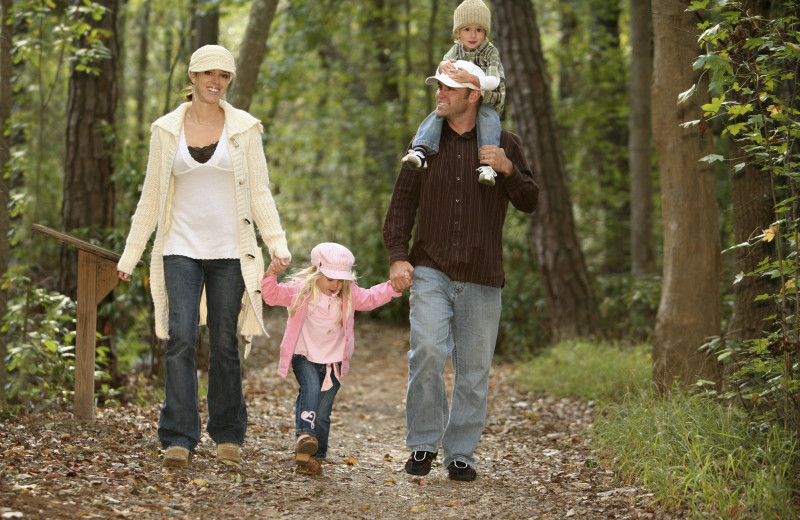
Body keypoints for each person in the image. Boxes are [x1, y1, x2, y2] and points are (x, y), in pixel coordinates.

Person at [117, 44, 291, 469]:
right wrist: (130, 254)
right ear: (192, 78)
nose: (216, 82)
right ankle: (178, 435)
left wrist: (277, 241)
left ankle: (228, 434)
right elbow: (151, 197)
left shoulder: (244, 129)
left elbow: (260, 190)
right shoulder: (165, 131)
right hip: (179, 248)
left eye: (224, 76)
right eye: (208, 74)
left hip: (231, 251)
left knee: (225, 342)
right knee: (180, 338)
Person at [383, 62, 539, 481]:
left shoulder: (503, 143)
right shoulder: (424, 146)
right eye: (439, 87)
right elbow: (400, 206)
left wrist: (507, 169)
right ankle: (422, 445)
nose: (440, 94)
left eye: (450, 89)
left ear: (473, 96)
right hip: (431, 267)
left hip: (483, 274)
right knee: (428, 354)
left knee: (473, 372)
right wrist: (399, 257)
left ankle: (461, 453)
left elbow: (530, 200)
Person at [261, 243, 406, 475]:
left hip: (333, 364)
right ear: (317, 272)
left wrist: (393, 287)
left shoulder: (348, 294)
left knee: (323, 413)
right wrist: (271, 273)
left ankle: (314, 458)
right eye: (331, 279)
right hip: (304, 355)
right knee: (309, 388)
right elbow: (271, 295)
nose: (336, 285)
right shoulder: (302, 290)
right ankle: (304, 437)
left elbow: (371, 297)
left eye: (341, 279)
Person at [401, 0, 505, 187]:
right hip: (467, 98)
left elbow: (494, 81)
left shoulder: (491, 52)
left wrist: (472, 79)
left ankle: (488, 165)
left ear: (485, 32)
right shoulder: (456, 49)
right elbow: (444, 63)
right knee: (436, 115)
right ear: (457, 32)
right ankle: (420, 150)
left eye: (479, 30)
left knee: (488, 120)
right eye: (467, 29)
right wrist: (442, 66)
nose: (473, 35)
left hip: (489, 98)